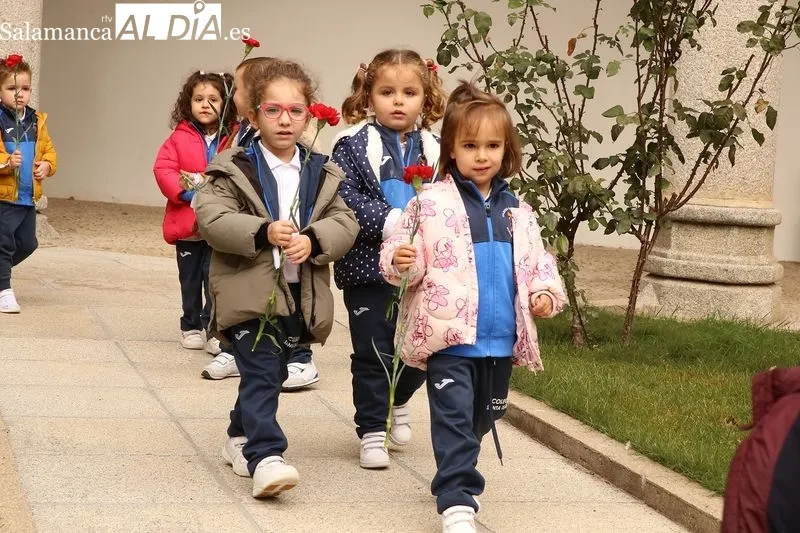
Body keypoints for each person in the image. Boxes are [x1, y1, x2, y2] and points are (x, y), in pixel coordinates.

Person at [379, 81, 566, 533]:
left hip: (499, 341)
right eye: (469, 145)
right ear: (451, 149)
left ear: (506, 149)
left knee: (485, 416)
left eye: (492, 146)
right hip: (449, 339)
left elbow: (537, 263)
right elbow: (401, 256)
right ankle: (458, 500)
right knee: (454, 418)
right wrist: (401, 260)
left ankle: (456, 471)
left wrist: (544, 293)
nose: (482, 156)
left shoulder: (518, 211)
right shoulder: (429, 204)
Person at [194, 59, 358, 497]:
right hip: (249, 289)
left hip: (297, 293)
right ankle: (266, 455)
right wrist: (262, 231)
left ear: (308, 115)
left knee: (269, 370)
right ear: (254, 115)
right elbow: (211, 217)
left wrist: (314, 239)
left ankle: (237, 435)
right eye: (273, 110)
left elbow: (345, 221)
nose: (285, 120)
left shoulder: (320, 171)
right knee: (264, 369)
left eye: (295, 111)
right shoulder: (234, 167)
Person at [331, 48, 446, 468]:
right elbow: (343, 196)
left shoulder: (438, 149)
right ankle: (372, 431)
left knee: (422, 348)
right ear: (368, 96)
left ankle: (398, 396)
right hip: (367, 268)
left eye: (409, 93)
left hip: (422, 268)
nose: (398, 101)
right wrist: (396, 221)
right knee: (373, 350)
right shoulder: (351, 145)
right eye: (387, 92)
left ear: (426, 97)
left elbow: (450, 199)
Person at [153, 71, 236, 357]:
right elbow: (164, 169)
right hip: (187, 224)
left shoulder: (233, 136)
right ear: (188, 103)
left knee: (214, 279)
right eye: (198, 99)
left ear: (226, 103)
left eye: (213, 99)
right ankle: (190, 324)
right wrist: (187, 192)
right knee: (189, 279)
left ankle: (213, 329)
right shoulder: (179, 137)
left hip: (218, 223)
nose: (205, 105)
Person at [0, 56, 57, 313]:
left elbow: (49, 151)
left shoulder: (36, 121)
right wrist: (6, 162)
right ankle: (4, 290)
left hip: (27, 196)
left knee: (27, 243)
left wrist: (47, 165)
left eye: (25, 88)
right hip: (4, 197)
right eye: (12, 88)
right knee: (4, 244)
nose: (19, 94)